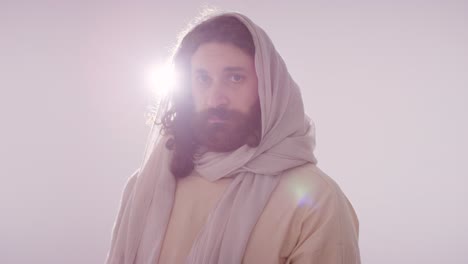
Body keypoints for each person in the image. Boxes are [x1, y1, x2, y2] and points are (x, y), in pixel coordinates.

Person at [106, 11, 361, 264]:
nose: (216, 98)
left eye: (235, 78)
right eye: (203, 79)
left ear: (266, 89)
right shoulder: (145, 186)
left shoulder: (318, 201)